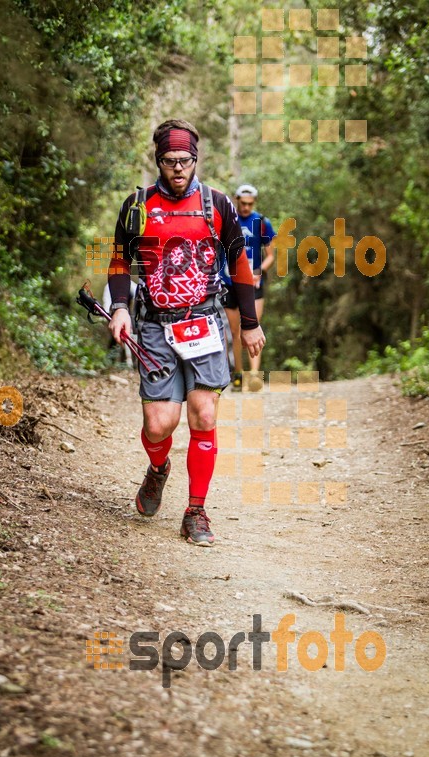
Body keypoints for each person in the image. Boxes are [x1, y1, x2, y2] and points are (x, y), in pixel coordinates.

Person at [107, 120, 265, 546]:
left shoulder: (217, 204)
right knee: (159, 425)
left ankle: (196, 511)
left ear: (196, 160)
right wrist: (120, 308)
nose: (178, 168)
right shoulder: (137, 205)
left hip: (205, 322)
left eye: (185, 160)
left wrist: (249, 322)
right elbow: (120, 261)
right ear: (158, 161)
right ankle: (158, 468)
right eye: (170, 161)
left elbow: (241, 265)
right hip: (155, 325)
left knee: (204, 415)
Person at [221, 184, 276, 391]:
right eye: (242, 203)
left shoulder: (262, 223)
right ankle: (238, 373)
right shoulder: (228, 220)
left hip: (254, 283)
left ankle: (255, 375)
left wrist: (258, 271)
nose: (245, 207)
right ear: (236, 200)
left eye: (249, 204)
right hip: (229, 282)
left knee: (253, 326)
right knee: (234, 332)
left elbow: (270, 255)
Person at [102, 279, 138, 367]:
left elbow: (137, 297)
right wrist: (109, 317)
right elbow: (106, 302)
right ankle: (110, 362)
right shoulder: (109, 286)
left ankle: (133, 361)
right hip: (114, 315)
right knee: (115, 338)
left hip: (129, 315)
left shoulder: (131, 285)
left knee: (134, 336)